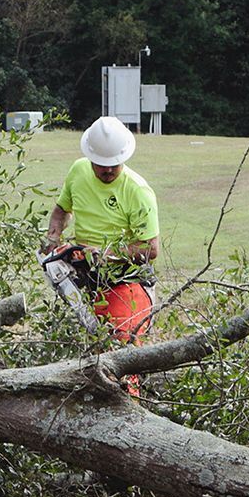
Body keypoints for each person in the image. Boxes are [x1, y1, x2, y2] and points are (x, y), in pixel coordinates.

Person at [42, 117, 159, 395]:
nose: (106, 170)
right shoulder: (78, 171)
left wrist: (109, 254)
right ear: (89, 156)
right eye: (100, 164)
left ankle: (129, 415)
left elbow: (150, 249)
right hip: (86, 278)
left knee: (120, 358)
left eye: (112, 165)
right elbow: (61, 210)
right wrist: (52, 238)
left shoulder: (137, 191)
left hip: (127, 282)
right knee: (87, 355)